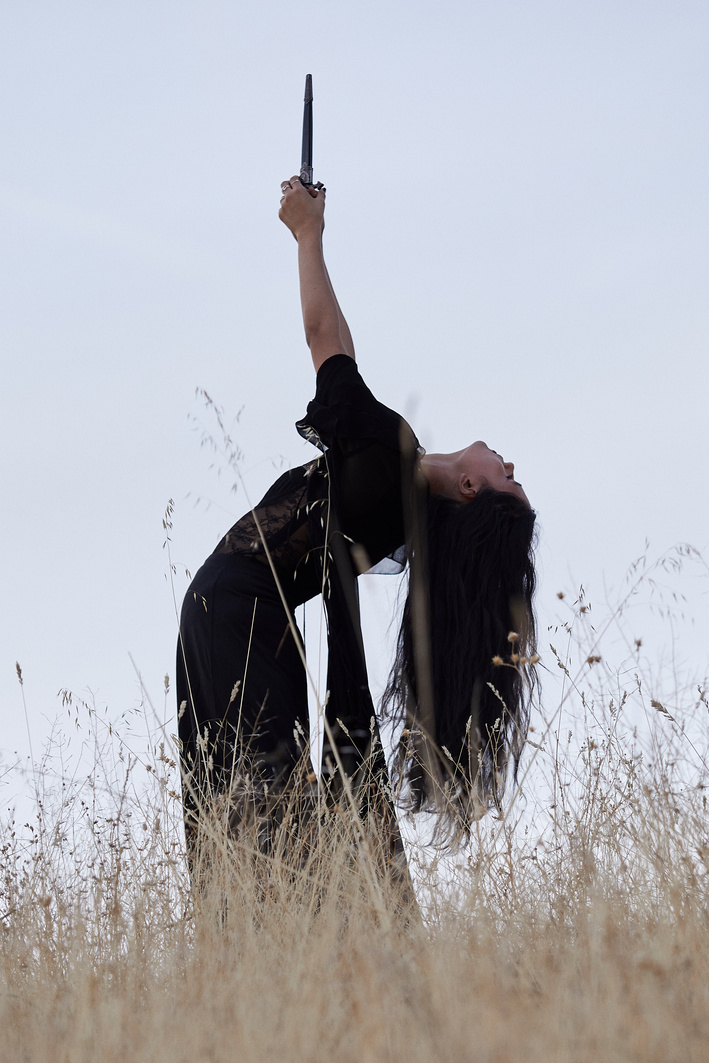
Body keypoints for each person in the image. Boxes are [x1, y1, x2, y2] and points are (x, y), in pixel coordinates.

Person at [176, 176, 538, 874]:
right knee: (267, 811)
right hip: (249, 617)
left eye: (508, 479)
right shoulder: (393, 488)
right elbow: (342, 353)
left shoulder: (386, 471)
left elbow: (322, 342)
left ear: (470, 488)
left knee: (265, 812)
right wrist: (315, 236)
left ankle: (292, 945)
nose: (508, 462)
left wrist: (306, 236)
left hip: (236, 611)